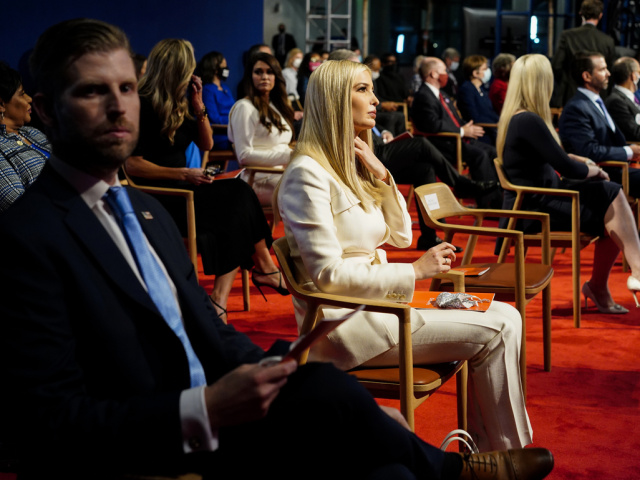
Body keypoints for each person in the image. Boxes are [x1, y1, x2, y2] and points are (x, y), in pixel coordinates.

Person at [0, 18, 554, 480]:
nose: (120, 107)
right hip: (156, 439)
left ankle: (450, 466)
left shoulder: (145, 213)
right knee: (357, 415)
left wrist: (279, 375)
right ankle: (458, 470)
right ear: (45, 109)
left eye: (127, 89)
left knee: (360, 429)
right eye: (93, 91)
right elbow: (47, 423)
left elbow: (210, 330)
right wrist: (204, 408)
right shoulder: (26, 237)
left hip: (226, 406)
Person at [278, 59, 537, 453]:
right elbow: (328, 275)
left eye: (371, 89)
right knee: (501, 327)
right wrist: (415, 271)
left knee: (508, 315)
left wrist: (383, 176)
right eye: (362, 89)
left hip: (380, 307)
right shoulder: (306, 173)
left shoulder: (348, 165)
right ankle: (508, 455)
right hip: (347, 326)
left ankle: (488, 451)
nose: (375, 99)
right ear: (334, 100)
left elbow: (399, 236)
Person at [125, 39, 288, 320]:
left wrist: (199, 105)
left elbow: (207, 144)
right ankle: (261, 270)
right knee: (236, 206)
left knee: (239, 192)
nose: (194, 73)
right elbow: (133, 164)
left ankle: (223, 296)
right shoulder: (142, 104)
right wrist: (183, 173)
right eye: (189, 67)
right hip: (158, 196)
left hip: (186, 188)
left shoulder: (184, 102)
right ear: (176, 69)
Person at [498, 53, 640, 312]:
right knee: (610, 195)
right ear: (541, 83)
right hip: (535, 210)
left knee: (611, 197)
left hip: (542, 199)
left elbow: (553, 157)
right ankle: (622, 277)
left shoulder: (521, 117)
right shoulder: (528, 120)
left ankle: (618, 279)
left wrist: (578, 161)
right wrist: (593, 170)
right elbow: (566, 167)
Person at [411, 57, 501, 208]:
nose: (446, 74)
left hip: (457, 139)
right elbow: (432, 124)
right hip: (442, 144)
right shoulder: (423, 96)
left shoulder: (442, 94)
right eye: (444, 71)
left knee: (492, 152)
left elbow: (455, 119)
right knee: (480, 155)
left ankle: (497, 200)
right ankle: (487, 204)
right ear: (433, 74)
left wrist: (465, 126)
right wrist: (461, 131)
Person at [558, 51, 640, 198]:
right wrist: (628, 151)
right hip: (601, 174)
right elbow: (589, 151)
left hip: (618, 169)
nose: (608, 73)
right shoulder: (576, 108)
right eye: (602, 69)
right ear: (587, 76)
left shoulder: (595, 102)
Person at [228, 52, 296, 206]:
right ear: (250, 77)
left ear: (276, 76)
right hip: (258, 179)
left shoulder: (276, 106)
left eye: (269, 72)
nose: (264, 77)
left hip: (282, 173)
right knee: (308, 189)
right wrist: (288, 156)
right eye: (258, 72)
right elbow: (244, 156)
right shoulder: (244, 107)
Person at [0, 62, 50, 212]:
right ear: (1, 104)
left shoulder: (33, 133)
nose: (29, 99)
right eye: (22, 94)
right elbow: (20, 208)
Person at [551, 0, 617, 107]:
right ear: (600, 15)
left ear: (580, 13)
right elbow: (611, 71)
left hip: (571, 95)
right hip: (598, 97)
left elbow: (556, 66)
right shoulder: (607, 41)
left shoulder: (567, 36)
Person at [195, 50, 234, 150]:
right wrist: (234, 120)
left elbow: (235, 110)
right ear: (215, 69)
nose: (226, 69)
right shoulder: (208, 90)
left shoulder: (226, 89)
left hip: (233, 132)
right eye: (223, 66)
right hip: (219, 135)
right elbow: (214, 118)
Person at [457, 55, 500, 144]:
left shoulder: (481, 89)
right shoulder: (467, 90)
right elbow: (473, 116)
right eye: (484, 69)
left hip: (490, 130)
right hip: (479, 133)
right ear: (475, 73)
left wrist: (501, 121)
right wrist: (496, 123)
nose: (488, 71)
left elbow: (489, 111)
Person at [605, 56, 640, 141]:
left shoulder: (630, 97)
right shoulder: (616, 101)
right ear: (633, 76)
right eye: (639, 72)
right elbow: (634, 133)